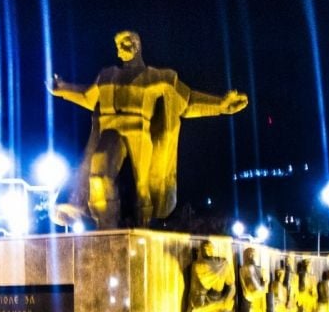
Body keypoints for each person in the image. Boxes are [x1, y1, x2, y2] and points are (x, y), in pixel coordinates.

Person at [49, 30, 248, 229]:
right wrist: (63, 88)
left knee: (143, 188)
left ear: (137, 45)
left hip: (139, 132)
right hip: (110, 131)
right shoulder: (107, 75)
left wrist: (221, 105)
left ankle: (142, 227)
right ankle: (106, 226)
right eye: (118, 45)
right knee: (99, 175)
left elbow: (187, 102)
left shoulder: (158, 77)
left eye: (125, 43)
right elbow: (87, 97)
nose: (120, 49)